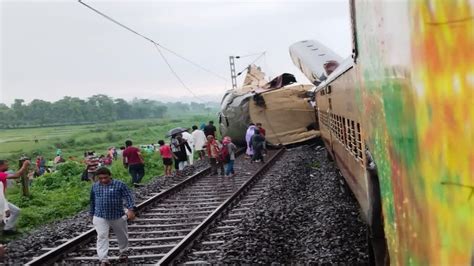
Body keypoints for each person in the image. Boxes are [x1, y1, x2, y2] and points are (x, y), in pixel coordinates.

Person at [89, 167, 135, 266]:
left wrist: (131, 210)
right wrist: (91, 214)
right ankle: (103, 259)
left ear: (110, 175)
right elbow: (92, 201)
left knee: (122, 235)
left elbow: (128, 196)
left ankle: (123, 252)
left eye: (105, 178)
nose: (103, 180)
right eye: (100, 178)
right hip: (100, 215)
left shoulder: (119, 185)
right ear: (98, 178)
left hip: (117, 215)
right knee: (101, 236)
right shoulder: (95, 186)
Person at [0, 159, 30, 234]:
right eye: (6, 164)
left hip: (2, 200)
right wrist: (24, 166)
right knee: (15, 211)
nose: (8, 165)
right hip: (1, 200)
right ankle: (7, 229)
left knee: (15, 211)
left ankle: (7, 228)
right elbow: (16, 175)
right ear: (1, 166)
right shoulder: (1, 174)